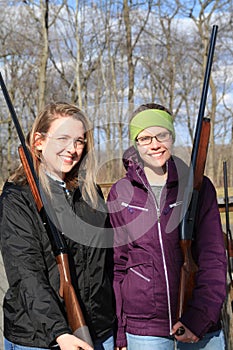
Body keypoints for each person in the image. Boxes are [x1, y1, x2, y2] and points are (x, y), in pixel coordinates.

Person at [107, 103, 227, 350]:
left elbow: (214, 257)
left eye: (162, 135)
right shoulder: (120, 192)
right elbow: (117, 266)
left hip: (200, 326)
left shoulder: (197, 187)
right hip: (145, 329)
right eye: (145, 137)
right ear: (135, 142)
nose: (155, 144)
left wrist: (200, 317)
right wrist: (120, 331)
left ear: (171, 136)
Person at [0, 102, 115, 350]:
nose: (72, 149)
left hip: (99, 333)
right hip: (42, 339)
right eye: (63, 138)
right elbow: (25, 274)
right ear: (39, 142)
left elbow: (106, 266)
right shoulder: (17, 198)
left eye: (79, 141)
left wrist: (113, 328)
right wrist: (60, 333)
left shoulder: (90, 193)